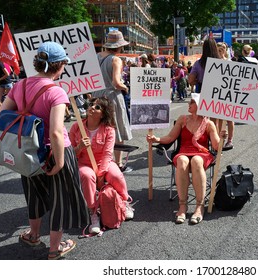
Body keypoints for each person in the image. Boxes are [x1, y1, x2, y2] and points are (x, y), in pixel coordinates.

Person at [0, 41, 89, 260]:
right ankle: (54, 249)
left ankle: (33, 234)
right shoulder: (56, 92)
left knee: (34, 195)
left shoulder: (20, 85)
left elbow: (2, 115)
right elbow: (57, 132)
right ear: (59, 65)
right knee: (60, 200)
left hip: (27, 150)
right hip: (53, 152)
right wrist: (59, 162)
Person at [146, 93, 227, 225]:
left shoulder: (209, 123)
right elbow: (171, 137)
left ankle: (200, 206)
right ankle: (182, 205)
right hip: (183, 151)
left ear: (200, 106)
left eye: (192, 102)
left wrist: (222, 137)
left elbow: (217, 146)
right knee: (182, 160)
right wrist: (157, 139)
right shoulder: (182, 119)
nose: (188, 105)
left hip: (202, 153)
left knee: (196, 160)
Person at [69, 96, 134, 234]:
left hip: (103, 162)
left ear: (103, 113)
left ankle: (124, 201)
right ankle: (93, 213)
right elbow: (69, 154)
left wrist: (101, 172)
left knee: (116, 175)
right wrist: (79, 147)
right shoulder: (76, 127)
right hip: (84, 163)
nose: (92, 107)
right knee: (87, 176)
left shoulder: (109, 129)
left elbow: (107, 153)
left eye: (97, 107)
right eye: (91, 104)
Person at [94, 30, 133, 173]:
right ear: (119, 46)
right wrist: (126, 87)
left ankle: (99, 160)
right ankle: (118, 163)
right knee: (116, 130)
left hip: (97, 95)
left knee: (99, 128)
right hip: (112, 96)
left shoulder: (97, 56)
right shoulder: (116, 59)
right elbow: (116, 82)